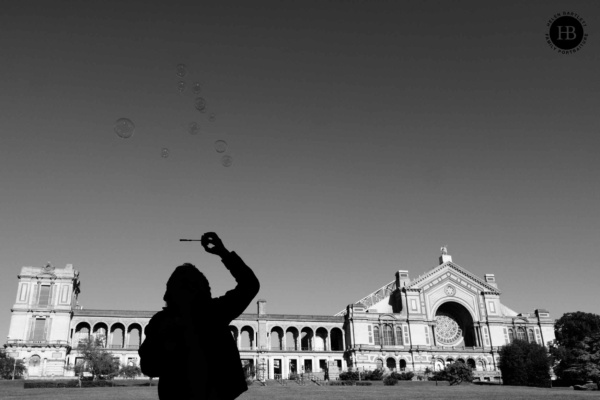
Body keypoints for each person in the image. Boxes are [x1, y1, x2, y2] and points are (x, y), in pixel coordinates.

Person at [139, 232, 260, 400]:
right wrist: (222, 252)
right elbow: (250, 284)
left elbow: (149, 367)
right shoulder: (214, 313)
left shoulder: (164, 320)